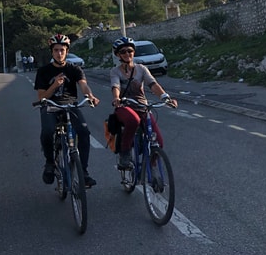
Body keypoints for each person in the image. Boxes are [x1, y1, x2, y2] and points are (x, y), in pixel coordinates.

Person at [34, 34, 100, 187]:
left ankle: (83, 172)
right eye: (56, 50)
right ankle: (50, 163)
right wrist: (55, 85)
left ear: (67, 51)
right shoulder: (43, 71)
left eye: (62, 50)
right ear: (52, 52)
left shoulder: (74, 69)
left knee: (84, 132)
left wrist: (90, 95)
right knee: (47, 131)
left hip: (70, 105)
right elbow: (42, 96)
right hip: (50, 105)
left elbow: (83, 85)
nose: (59, 53)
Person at [110, 37, 177, 169]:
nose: (127, 54)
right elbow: (115, 86)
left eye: (130, 51)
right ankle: (125, 154)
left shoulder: (141, 69)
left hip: (142, 107)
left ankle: (149, 168)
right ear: (118, 55)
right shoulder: (115, 71)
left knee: (159, 141)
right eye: (123, 52)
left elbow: (153, 84)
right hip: (124, 106)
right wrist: (117, 98)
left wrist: (165, 97)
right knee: (133, 121)